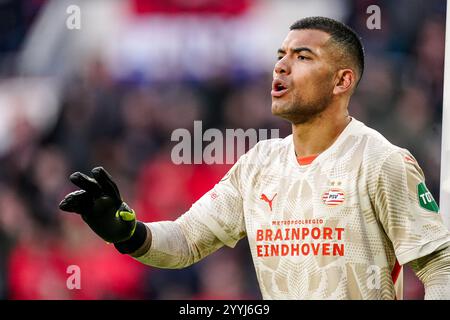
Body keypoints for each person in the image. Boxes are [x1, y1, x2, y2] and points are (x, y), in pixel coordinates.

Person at [59, 16, 450, 300]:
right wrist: (129, 233)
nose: (281, 66)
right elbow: (186, 241)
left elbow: (441, 269)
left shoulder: (381, 161)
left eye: (302, 57)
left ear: (342, 81)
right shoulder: (258, 164)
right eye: (280, 55)